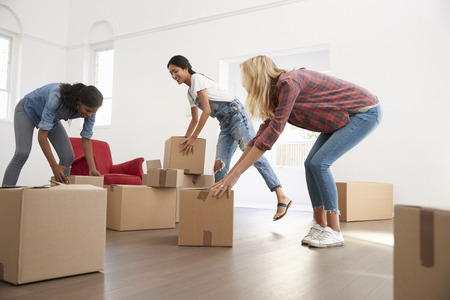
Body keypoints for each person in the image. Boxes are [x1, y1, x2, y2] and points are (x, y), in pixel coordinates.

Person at [212, 55, 382, 248]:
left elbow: (273, 133)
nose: (244, 84)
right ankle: (320, 224)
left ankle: (334, 231)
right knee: (310, 163)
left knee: (320, 163)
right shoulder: (277, 96)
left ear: (256, 77)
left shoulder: (288, 84)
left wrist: (235, 176)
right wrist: (229, 178)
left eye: (246, 79)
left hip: (365, 112)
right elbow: (258, 139)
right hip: (341, 118)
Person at [167, 55, 291, 221]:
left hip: (236, 115)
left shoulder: (197, 79)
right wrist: (184, 139)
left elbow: (207, 111)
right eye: (171, 74)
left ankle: (281, 195)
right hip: (224, 123)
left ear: (185, 68)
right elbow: (195, 119)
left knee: (253, 155)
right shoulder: (190, 94)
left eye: (176, 71)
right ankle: (218, 211)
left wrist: (194, 138)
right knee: (219, 165)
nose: (174, 76)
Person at [2, 83, 103, 185]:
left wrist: (92, 168)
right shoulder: (57, 96)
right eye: (88, 111)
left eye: (93, 112)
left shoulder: (91, 111)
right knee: (22, 153)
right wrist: (54, 166)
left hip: (51, 119)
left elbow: (86, 139)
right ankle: (5, 196)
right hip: (27, 110)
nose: (89, 115)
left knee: (68, 156)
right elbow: (42, 136)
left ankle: (59, 194)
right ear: (79, 100)